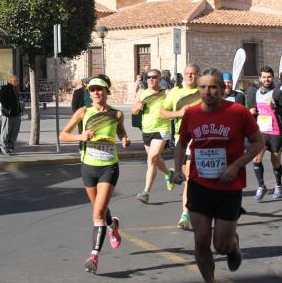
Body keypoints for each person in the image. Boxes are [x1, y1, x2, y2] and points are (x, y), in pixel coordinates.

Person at [172, 68, 264, 283]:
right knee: (201, 240)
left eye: (213, 87)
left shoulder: (238, 112)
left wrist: (236, 165)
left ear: (222, 89)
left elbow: (258, 143)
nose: (208, 91)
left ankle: (233, 246)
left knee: (221, 246)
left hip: (229, 187)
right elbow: (181, 143)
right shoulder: (191, 113)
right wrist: (177, 170)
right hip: (199, 184)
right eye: (203, 87)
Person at [59, 75, 130, 274]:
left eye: (100, 89)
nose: (96, 93)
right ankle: (112, 225)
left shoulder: (116, 114)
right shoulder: (83, 112)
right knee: (100, 209)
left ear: (107, 92)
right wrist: (80, 136)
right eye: (92, 90)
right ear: (89, 93)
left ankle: (94, 257)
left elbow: (122, 132)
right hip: (88, 166)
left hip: (109, 166)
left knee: (97, 212)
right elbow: (63, 135)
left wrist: (124, 139)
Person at [161, 64, 202, 230]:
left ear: (198, 75)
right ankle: (188, 212)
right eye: (187, 74)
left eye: (193, 74)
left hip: (200, 139)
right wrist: (180, 113)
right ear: (183, 75)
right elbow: (163, 113)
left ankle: (187, 213)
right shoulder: (175, 92)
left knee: (192, 179)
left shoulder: (203, 92)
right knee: (189, 179)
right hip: (182, 139)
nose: (190, 76)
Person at [246, 66, 282, 201]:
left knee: (275, 162)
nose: (266, 79)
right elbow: (251, 109)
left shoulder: (277, 93)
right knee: (256, 159)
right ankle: (261, 186)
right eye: (264, 77)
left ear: (273, 77)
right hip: (261, 132)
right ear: (260, 78)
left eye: (269, 77)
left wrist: (275, 107)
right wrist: (251, 112)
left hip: (276, 132)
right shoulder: (254, 92)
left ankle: (278, 185)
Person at [132, 69, 175, 204]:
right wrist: (137, 107)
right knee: (155, 160)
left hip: (162, 129)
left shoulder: (166, 92)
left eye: (154, 77)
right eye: (148, 77)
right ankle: (169, 174)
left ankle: (146, 192)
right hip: (147, 130)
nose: (150, 79)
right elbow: (134, 110)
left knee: (152, 158)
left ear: (160, 78)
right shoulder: (142, 93)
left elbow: (176, 103)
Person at [0, 75, 23, 155]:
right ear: (10, 80)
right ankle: (3, 147)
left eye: (18, 80)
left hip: (16, 114)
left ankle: (10, 147)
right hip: (8, 115)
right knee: (6, 132)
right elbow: (2, 100)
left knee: (14, 132)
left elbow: (17, 101)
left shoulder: (14, 89)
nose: (17, 82)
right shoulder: (5, 88)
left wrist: (19, 111)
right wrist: (8, 110)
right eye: (16, 80)